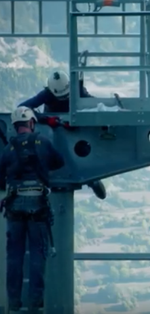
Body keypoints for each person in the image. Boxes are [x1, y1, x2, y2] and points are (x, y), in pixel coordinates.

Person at [0, 106, 65, 312]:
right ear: (31, 123)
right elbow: (58, 162)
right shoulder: (43, 142)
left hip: (14, 206)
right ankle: (36, 305)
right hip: (38, 205)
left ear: (15, 126)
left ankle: (13, 304)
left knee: (14, 257)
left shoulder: (8, 149)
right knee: (38, 254)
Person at [18, 71, 107, 200]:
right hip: (53, 131)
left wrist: (76, 121)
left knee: (83, 152)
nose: (64, 99)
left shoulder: (78, 91)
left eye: (66, 96)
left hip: (76, 132)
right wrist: (47, 120)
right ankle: (90, 178)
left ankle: (92, 179)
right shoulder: (47, 95)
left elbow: (93, 107)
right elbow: (22, 109)